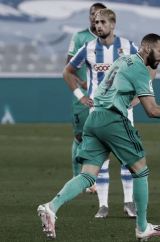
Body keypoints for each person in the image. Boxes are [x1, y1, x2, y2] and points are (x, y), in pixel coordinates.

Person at [38, 33, 160, 241]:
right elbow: (152, 110)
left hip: (94, 118)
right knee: (140, 169)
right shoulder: (140, 68)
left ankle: (51, 207)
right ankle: (142, 228)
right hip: (112, 120)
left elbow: (122, 93)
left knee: (87, 176)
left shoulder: (122, 60)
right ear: (147, 48)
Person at [67, 7, 153, 218]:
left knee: (127, 158)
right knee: (101, 158)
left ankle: (128, 203)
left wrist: (137, 98)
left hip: (123, 110)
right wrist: (80, 96)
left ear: (112, 24)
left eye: (102, 22)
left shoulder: (128, 46)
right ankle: (103, 205)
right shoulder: (87, 48)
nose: (98, 26)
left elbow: (147, 68)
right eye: (96, 23)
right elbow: (67, 71)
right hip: (98, 112)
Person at [67, 2, 106, 193]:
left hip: (105, 98)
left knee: (101, 138)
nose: (94, 17)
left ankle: (93, 179)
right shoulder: (80, 37)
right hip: (84, 97)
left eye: (98, 14)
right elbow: (68, 69)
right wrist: (82, 85)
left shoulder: (112, 42)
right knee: (80, 136)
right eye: (92, 14)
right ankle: (78, 178)